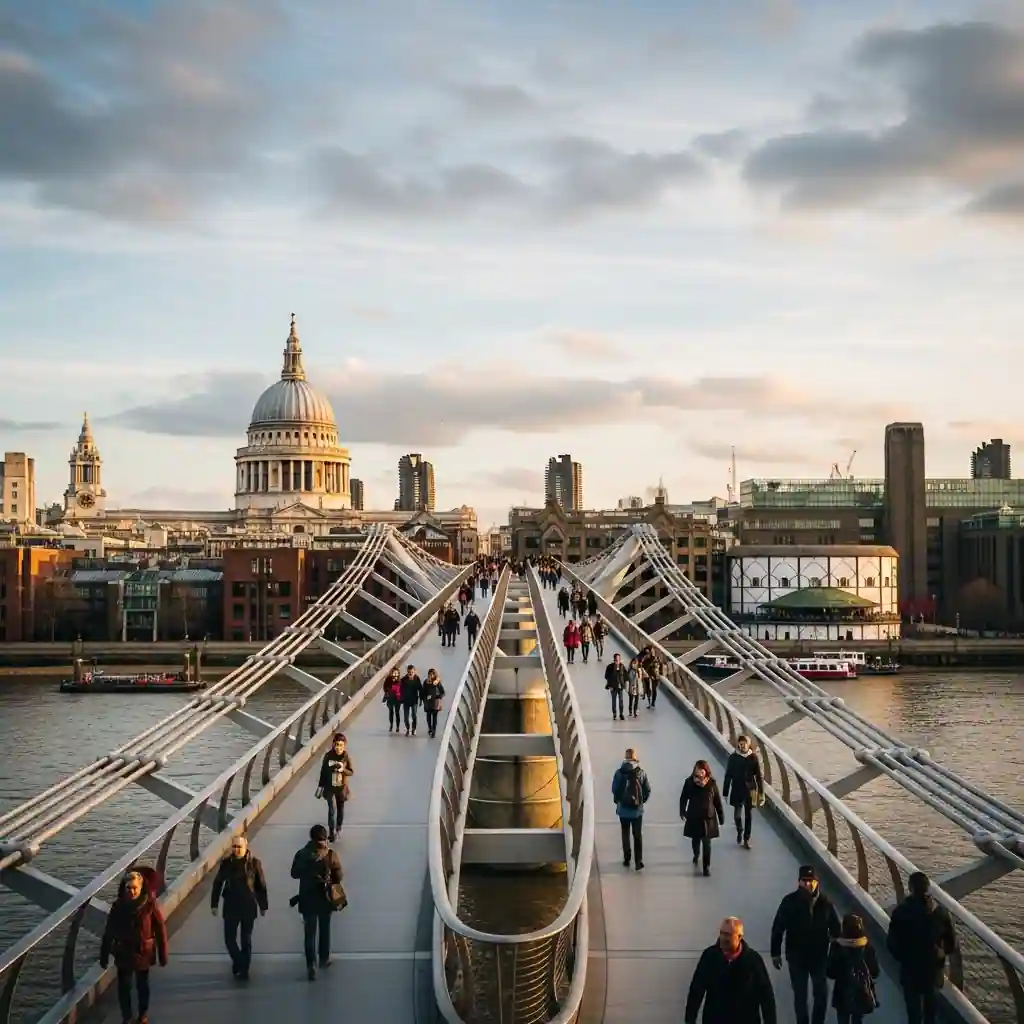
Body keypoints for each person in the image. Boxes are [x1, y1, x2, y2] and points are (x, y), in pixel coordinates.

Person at [770, 865, 841, 1024]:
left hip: (819, 958)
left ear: (817, 883)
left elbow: (836, 928)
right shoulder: (789, 902)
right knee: (800, 997)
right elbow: (778, 928)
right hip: (796, 958)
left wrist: (834, 940)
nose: (808, 884)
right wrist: (775, 953)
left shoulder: (826, 903)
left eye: (811, 881)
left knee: (821, 995)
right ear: (799, 882)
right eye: (804, 881)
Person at [886, 871, 957, 1024]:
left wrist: (903, 958)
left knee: (914, 1013)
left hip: (910, 969)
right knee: (931, 1013)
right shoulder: (940, 912)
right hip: (933, 970)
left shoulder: (901, 912)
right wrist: (940, 954)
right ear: (927, 889)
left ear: (910, 888)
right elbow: (951, 944)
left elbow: (892, 943)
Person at [100, 869, 169, 1024]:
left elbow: (160, 929)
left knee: (142, 985)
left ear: (141, 887)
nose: (131, 891)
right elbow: (109, 930)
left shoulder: (150, 905)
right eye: (128, 888)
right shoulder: (118, 906)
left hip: (142, 952)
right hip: (123, 952)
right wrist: (104, 954)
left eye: (134, 888)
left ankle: (143, 1014)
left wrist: (163, 955)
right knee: (124, 987)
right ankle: (127, 1017)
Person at [685, 916, 777, 1024]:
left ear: (739, 937)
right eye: (722, 933)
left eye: (728, 935)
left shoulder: (753, 960)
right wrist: (690, 1020)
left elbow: (766, 996)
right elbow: (696, 990)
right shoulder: (709, 957)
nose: (723, 938)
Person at [210, 834, 269, 980]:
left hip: (248, 905)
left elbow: (261, 886)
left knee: (245, 939)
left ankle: (244, 969)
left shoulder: (254, 863)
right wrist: (214, 904)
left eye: (239, 847)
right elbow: (218, 883)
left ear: (246, 847)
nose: (236, 850)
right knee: (229, 939)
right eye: (234, 846)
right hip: (230, 905)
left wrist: (263, 905)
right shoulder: (226, 863)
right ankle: (240, 962)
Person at [290, 823, 344, 980]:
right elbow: (339, 876)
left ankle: (310, 964)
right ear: (325, 837)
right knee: (325, 929)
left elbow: (294, 873)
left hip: (307, 898)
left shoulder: (302, 854)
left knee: (309, 933)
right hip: (325, 897)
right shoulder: (330, 855)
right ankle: (324, 958)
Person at [827, 913, 880, 1024]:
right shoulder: (867, 947)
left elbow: (830, 972)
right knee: (857, 1019)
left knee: (843, 1018)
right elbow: (875, 972)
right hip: (860, 993)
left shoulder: (837, 946)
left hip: (841, 993)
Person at [679, 759, 725, 876]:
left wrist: (721, 816)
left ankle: (706, 867)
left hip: (708, 818)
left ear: (706, 771)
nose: (699, 773)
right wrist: (682, 811)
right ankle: (696, 853)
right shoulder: (689, 782)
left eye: (702, 770)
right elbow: (683, 797)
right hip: (694, 816)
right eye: (697, 770)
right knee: (695, 839)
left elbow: (717, 801)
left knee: (707, 843)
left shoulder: (711, 783)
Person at [611, 746, 651, 871]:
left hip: (623, 809)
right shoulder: (641, 772)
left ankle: (627, 858)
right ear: (635, 757)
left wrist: (620, 800)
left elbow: (614, 789)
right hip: (637, 810)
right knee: (637, 835)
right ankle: (638, 861)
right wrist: (641, 801)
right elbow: (647, 789)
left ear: (625, 757)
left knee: (625, 833)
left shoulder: (619, 772)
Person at [723, 734, 763, 849]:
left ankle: (746, 839)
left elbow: (759, 776)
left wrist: (761, 793)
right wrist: (725, 792)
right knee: (737, 816)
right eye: (740, 744)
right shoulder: (733, 757)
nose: (742, 746)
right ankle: (740, 830)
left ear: (748, 744)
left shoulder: (753, 757)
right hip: (736, 789)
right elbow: (728, 775)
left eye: (744, 743)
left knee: (748, 815)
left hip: (750, 790)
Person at [315, 733, 353, 840]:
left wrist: (343, 770)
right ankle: (331, 832)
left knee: (340, 809)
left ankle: (338, 828)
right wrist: (320, 786)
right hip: (329, 787)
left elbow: (351, 772)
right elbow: (323, 772)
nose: (339, 748)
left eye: (341, 745)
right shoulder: (328, 756)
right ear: (333, 744)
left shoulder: (346, 757)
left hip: (341, 788)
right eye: (337, 745)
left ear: (344, 746)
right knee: (331, 810)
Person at [421, 668, 446, 738]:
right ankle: (430, 728)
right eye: (430, 674)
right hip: (428, 702)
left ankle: (433, 731)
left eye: (432, 674)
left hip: (435, 702)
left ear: (435, 675)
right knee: (428, 716)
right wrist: (424, 698)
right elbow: (423, 692)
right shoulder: (426, 682)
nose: (431, 676)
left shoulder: (437, 683)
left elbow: (443, 692)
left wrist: (436, 697)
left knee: (434, 717)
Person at [400, 664, 423, 735]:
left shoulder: (417, 679)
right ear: (407, 672)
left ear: (414, 672)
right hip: (406, 701)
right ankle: (408, 729)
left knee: (414, 715)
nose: (410, 674)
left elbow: (420, 689)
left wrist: (421, 699)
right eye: (409, 672)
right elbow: (400, 689)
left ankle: (414, 729)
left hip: (414, 701)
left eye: (412, 672)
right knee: (406, 718)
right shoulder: (403, 679)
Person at [604, 653, 628, 721]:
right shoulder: (610, 667)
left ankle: (621, 714)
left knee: (621, 701)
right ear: (614, 660)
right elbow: (606, 676)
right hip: (613, 686)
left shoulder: (622, 666)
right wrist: (610, 685)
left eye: (618, 660)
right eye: (616, 660)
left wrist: (625, 684)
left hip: (620, 686)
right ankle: (614, 714)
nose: (617, 661)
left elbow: (626, 676)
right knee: (614, 701)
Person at [382, 666, 403, 732]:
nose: (395, 674)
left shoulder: (400, 680)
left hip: (397, 699)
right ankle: (391, 725)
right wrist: (387, 692)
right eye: (394, 673)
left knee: (397, 712)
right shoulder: (388, 679)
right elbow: (385, 687)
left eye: (396, 673)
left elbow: (402, 689)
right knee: (391, 712)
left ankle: (397, 726)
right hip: (390, 698)